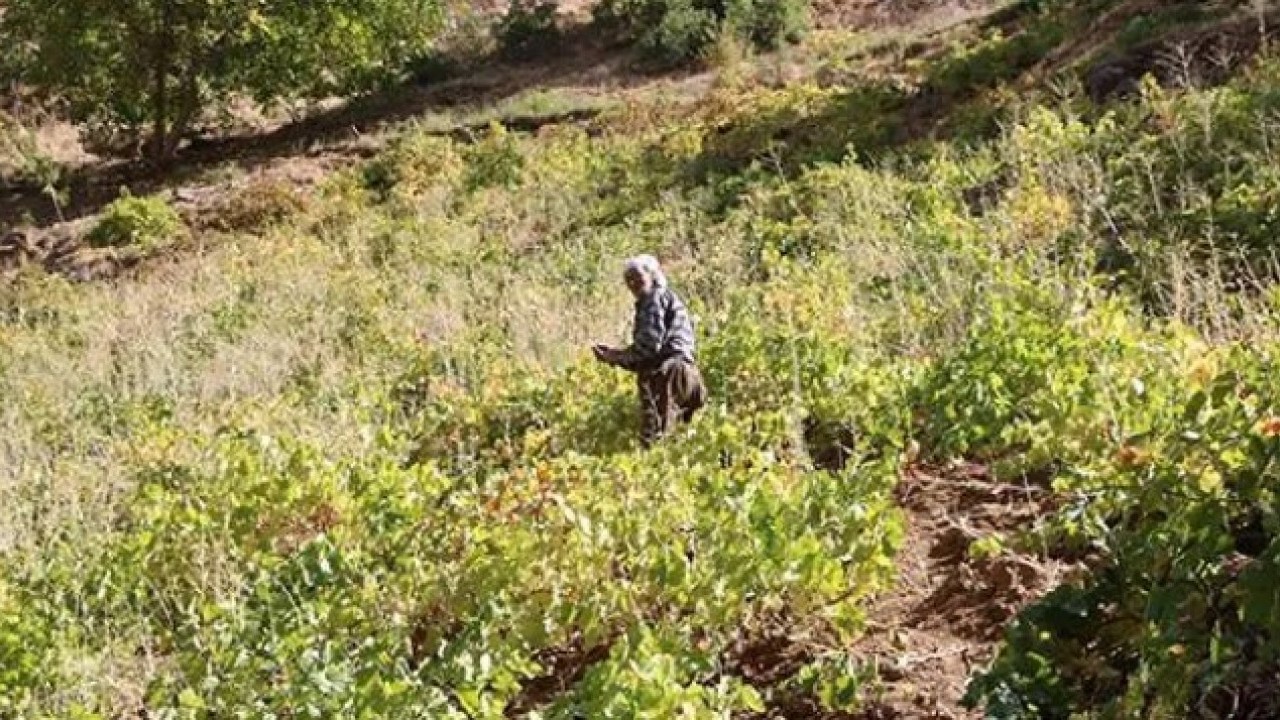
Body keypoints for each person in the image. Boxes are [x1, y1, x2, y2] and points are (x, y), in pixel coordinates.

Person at [593, 254, 706, 447]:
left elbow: (649, 348)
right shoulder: (668, 298)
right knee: (687, 443)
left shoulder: (653, 299)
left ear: (652, 275)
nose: (633, 283)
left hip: (669, 374)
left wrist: (614, 357)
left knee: (655, 441)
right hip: (690, 375)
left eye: (637, 276)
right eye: (628, 279)